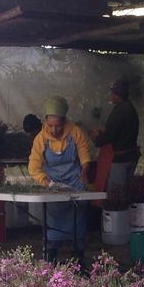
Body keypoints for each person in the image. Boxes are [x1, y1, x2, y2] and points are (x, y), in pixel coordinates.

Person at [28, 95, 93, 267]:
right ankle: (50, 261)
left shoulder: (75, 132)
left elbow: (85, 153)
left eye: (58, 126)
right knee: (53, 229)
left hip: (75, 185)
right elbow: (34, 166)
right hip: (53, 187)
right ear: (45, 122)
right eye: (50, 126)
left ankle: (78, 262)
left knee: (77, 226)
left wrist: (85, 169)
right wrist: (45, 181)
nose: (54, 130)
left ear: (64, 121)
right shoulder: (40, 139)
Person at [92, 78, 140, 202]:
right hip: (130, 156)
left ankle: (116, 220)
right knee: (124, 193)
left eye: (112, 93)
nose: (110, 96)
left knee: (116, 196)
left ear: (116, 94)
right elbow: (120, 132)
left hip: (120, 160)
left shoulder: (120, 111)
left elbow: (108, 137)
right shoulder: (130, 108)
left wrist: (96, 137)